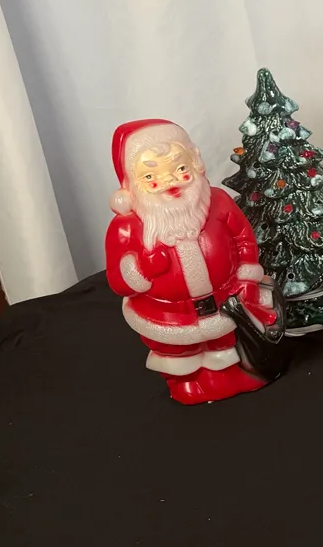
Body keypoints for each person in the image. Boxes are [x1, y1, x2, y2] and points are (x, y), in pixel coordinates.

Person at [104, 119, 277, 404]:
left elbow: (243, 237)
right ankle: (185, 384)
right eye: (152, 176)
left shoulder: (218, 201)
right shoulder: (126, 228)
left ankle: (225, 377)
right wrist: (141, 270)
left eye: (180, 169)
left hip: (223, 300)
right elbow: (118, 282)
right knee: (179, 353)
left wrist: (246, 274)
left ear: (194, 163)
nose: (170, 181)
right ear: (133, 185)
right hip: (168, 315)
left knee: (223, 344)